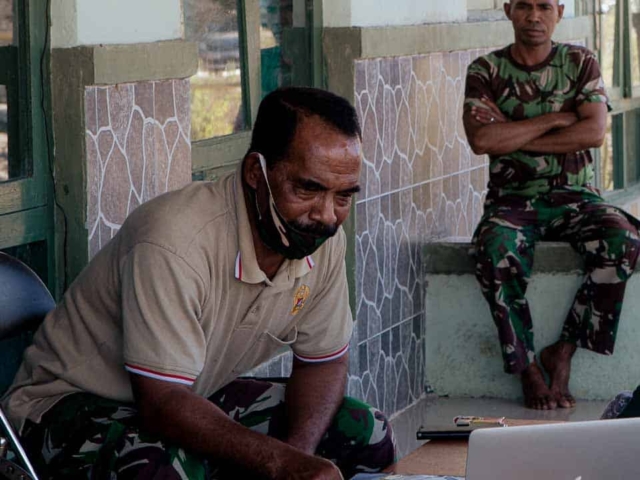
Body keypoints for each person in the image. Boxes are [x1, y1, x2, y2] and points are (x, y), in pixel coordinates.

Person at [1, 87, 396, 479]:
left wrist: (299, 457)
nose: (326, 215)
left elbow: (323, 363)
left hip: (189, 396)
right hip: (63, 410)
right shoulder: (175, 239)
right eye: (307, 189)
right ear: (256, 173)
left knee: (362, 429)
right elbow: (162, 404)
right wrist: (281, 464)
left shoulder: (319, 237)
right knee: (169, 468)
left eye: (344, 196)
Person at [462, 0, 640, 411]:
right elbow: (482, 141)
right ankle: (527, 368)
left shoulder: (580, 62)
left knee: (624, 238)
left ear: (559, 11)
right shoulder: (485, 71)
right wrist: (555, 120)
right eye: (524, 6)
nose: (534, 16)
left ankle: (563, 350)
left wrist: (514, 136)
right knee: (493, 248)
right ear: (508, 11)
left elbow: (593, 132)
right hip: (512, 201)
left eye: (544, 6)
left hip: (575, 197)